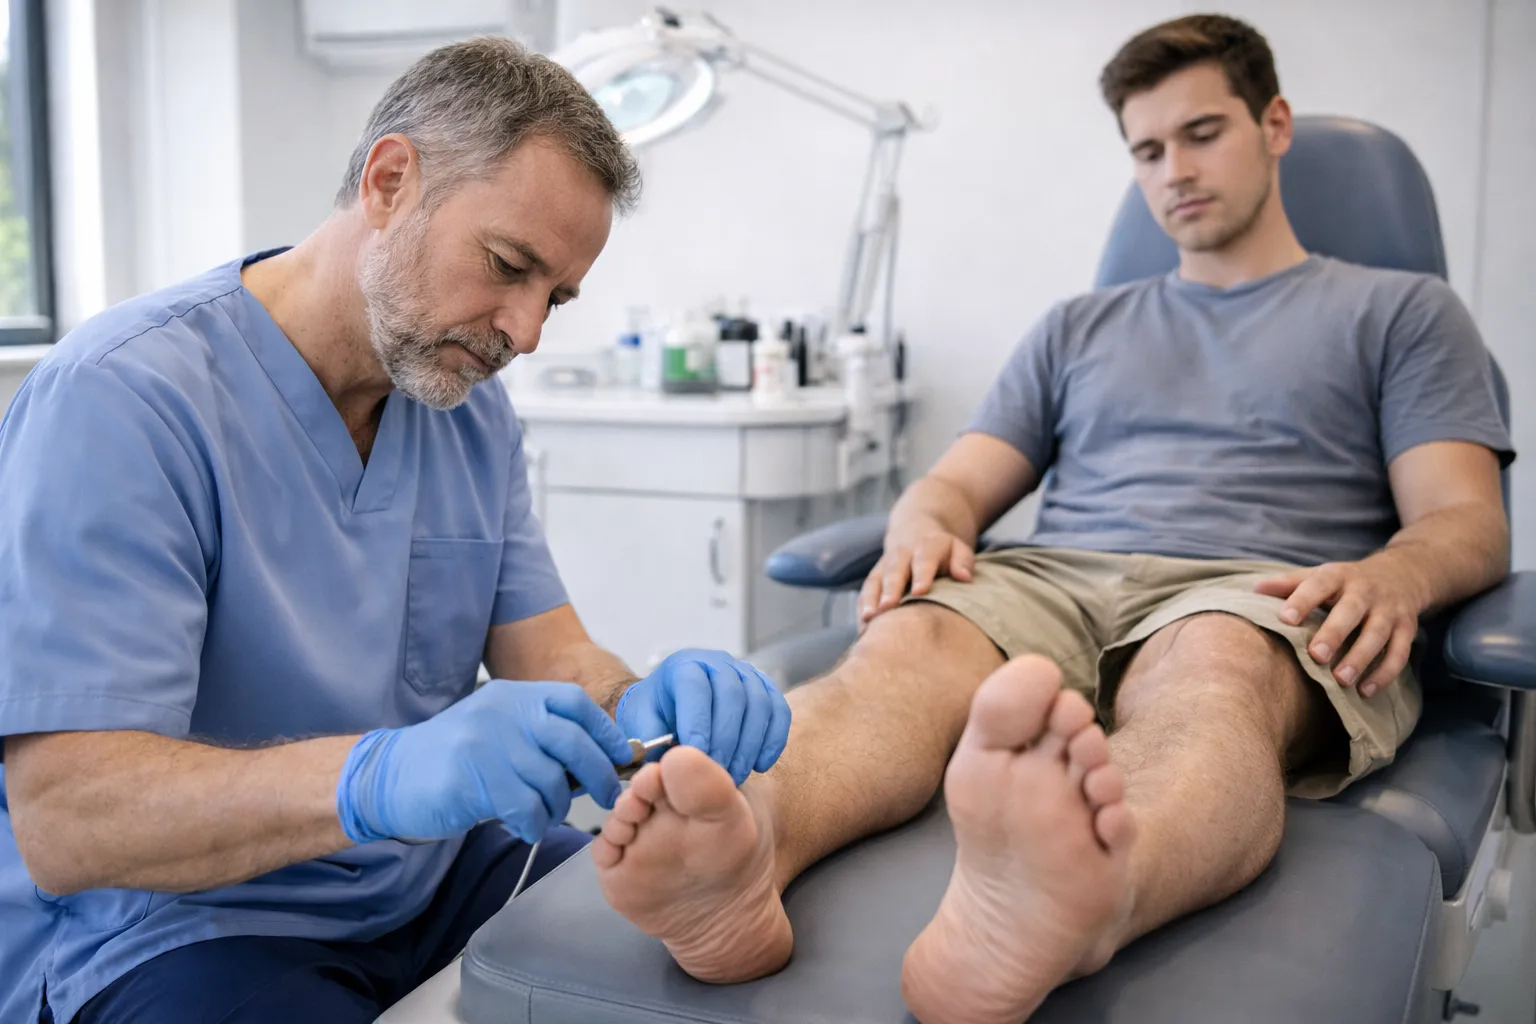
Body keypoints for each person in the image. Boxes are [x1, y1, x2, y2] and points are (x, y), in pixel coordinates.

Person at [588, 14, 1514, 1023]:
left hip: (1259, 589)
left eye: (1202, 133)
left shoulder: (1401, 312)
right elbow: (955, 486)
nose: (1174, 172)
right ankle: (746, 847)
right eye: (1148, 151)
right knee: (912, 639)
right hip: (1053, 577)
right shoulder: (1078, 326)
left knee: (1211, 664)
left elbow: (1465, 520)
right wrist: (924, 526)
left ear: (1274, 123)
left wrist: (1397, 577)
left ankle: (1082, 899)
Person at [0, 38, 790, 1024]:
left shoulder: (465, 408)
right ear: (389, 180)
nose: (529, 331)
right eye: (508, 265)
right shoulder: (120, 402)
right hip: (185, 925)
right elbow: (72, 819)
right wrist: (382, 775)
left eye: (556, 296)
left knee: (674, 977)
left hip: (433, 875)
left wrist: (640, 706)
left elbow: (549, 649)